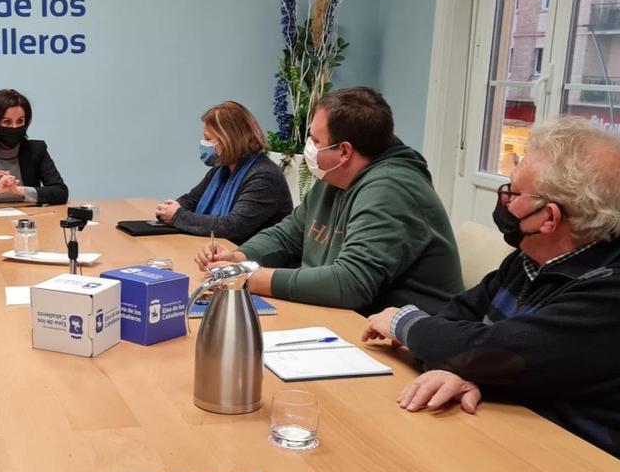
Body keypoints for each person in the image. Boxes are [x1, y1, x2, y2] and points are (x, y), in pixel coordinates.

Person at [363, 118, 620, 472]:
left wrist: (401, 322)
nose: (504, 200)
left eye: (512, 193)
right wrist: (470, 369)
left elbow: (499, 352)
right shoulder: (531, 256)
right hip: (514, 442)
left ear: (548, 217)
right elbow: (458, 323)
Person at [196, 86, 463, 314]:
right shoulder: (336, 177)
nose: (309, 146)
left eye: (314, 139)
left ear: (344, 151)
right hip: (346, 321)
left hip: (406, 347)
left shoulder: (391, 190)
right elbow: (288, 234)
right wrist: (239, 257)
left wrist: (249, 278)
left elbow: (350, 284)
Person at [155, 100, 292, 244]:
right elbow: (192, 200)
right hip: (222, 252)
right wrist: (169, 210)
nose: (203, 143)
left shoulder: (264, 176)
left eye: (208, 138)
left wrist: (177, 216)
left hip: (253, 261)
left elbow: (233, 227)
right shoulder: (222, 169)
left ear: (229, 140)